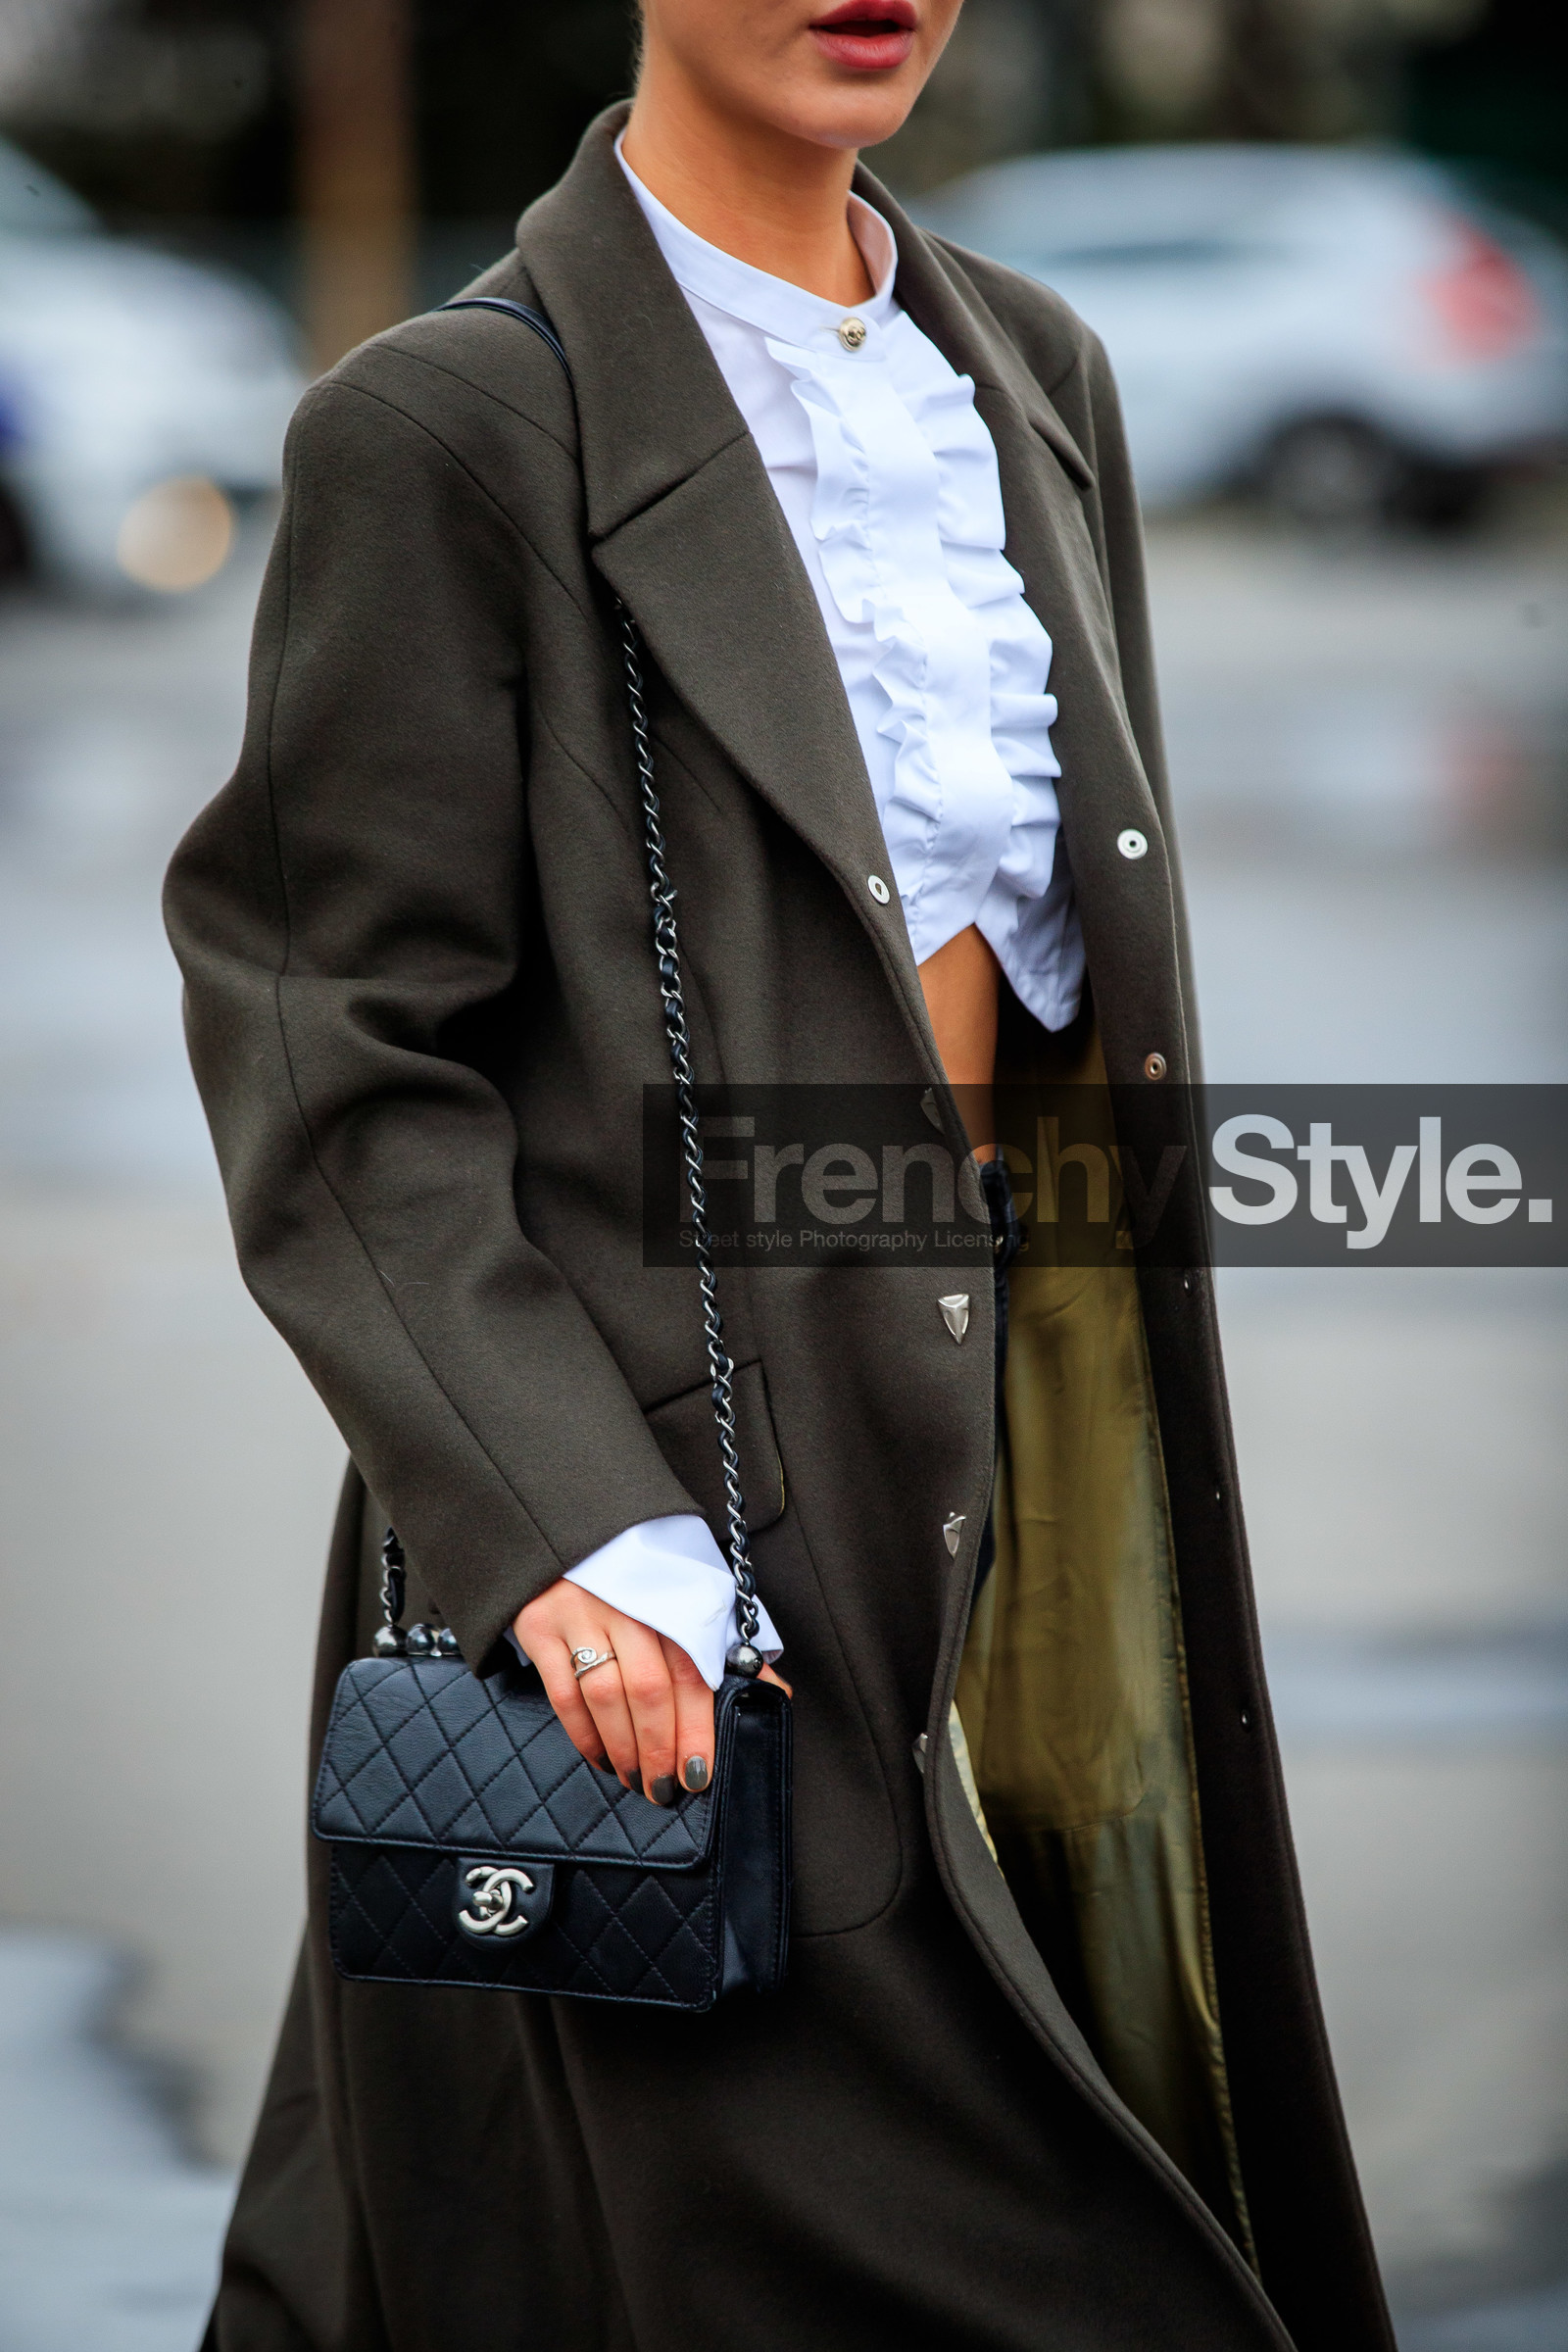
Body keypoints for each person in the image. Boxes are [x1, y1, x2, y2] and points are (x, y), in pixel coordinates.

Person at [166, 4, 1395, 2346]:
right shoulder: (445, 424)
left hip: (1014, 1487)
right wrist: (568, 1528)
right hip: (663, 1539)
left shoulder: (1025, 371)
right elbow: (334, 1051)